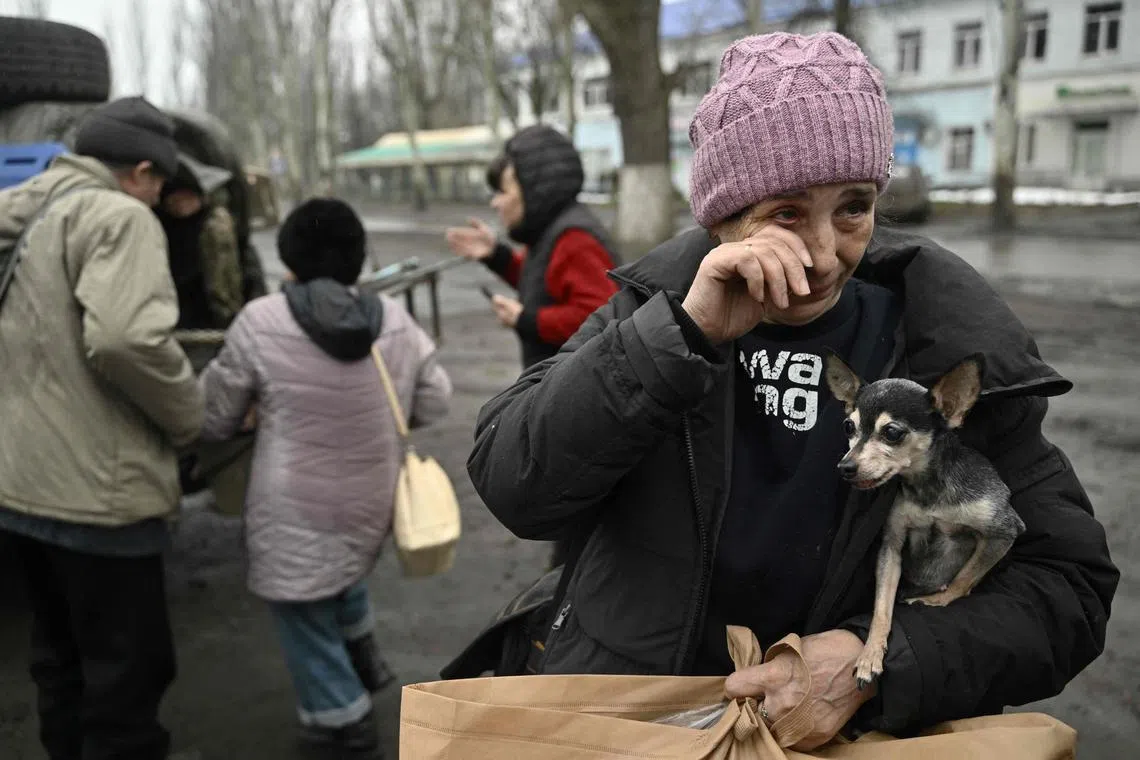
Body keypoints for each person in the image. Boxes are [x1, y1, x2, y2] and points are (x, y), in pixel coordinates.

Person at [466, 32, 1118, 750]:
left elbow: (1068, 587)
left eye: (853, 207)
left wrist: (881, 664)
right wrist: (681, 336)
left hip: (841, 734)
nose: (821, 252)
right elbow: (513, 482)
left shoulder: (943, 347)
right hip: (643, 718)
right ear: (722, 216)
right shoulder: (651, 310)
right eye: (785, 213)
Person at [197, 198, 452, 758]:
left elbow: (214, 417)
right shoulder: (396, 319)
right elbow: (435, 401)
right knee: (341, 565)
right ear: (358, 259)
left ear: (289, 260)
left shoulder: (260, 322)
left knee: (300, 605)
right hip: (372, 498)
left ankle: (343, 721)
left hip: (291, 505)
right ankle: (362, 654)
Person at [0, 97, 204, 760]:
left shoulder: (25, 211)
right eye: (160, 184)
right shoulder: (118, 216)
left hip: (22, 486)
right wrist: (188, 416)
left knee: (59, 667)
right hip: (101, 499)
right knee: (125, 688)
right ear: (142, 171)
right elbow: (124, 340)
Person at [445, 124, 620, 370]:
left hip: (576, 387)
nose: (495, 203)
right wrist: (497, 256)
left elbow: (599, 315)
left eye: (502, 191)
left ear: (534, 189)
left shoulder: (574, 238)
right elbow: (544, 285)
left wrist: (525, 320)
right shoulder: (547, 230)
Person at [155, 153, 244, 330]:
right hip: (172, 318)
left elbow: (240, 270)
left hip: (216, 316)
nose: (181, 204)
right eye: (175, 199)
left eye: (187, 197)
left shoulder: (218, 227)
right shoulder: (158, 227)